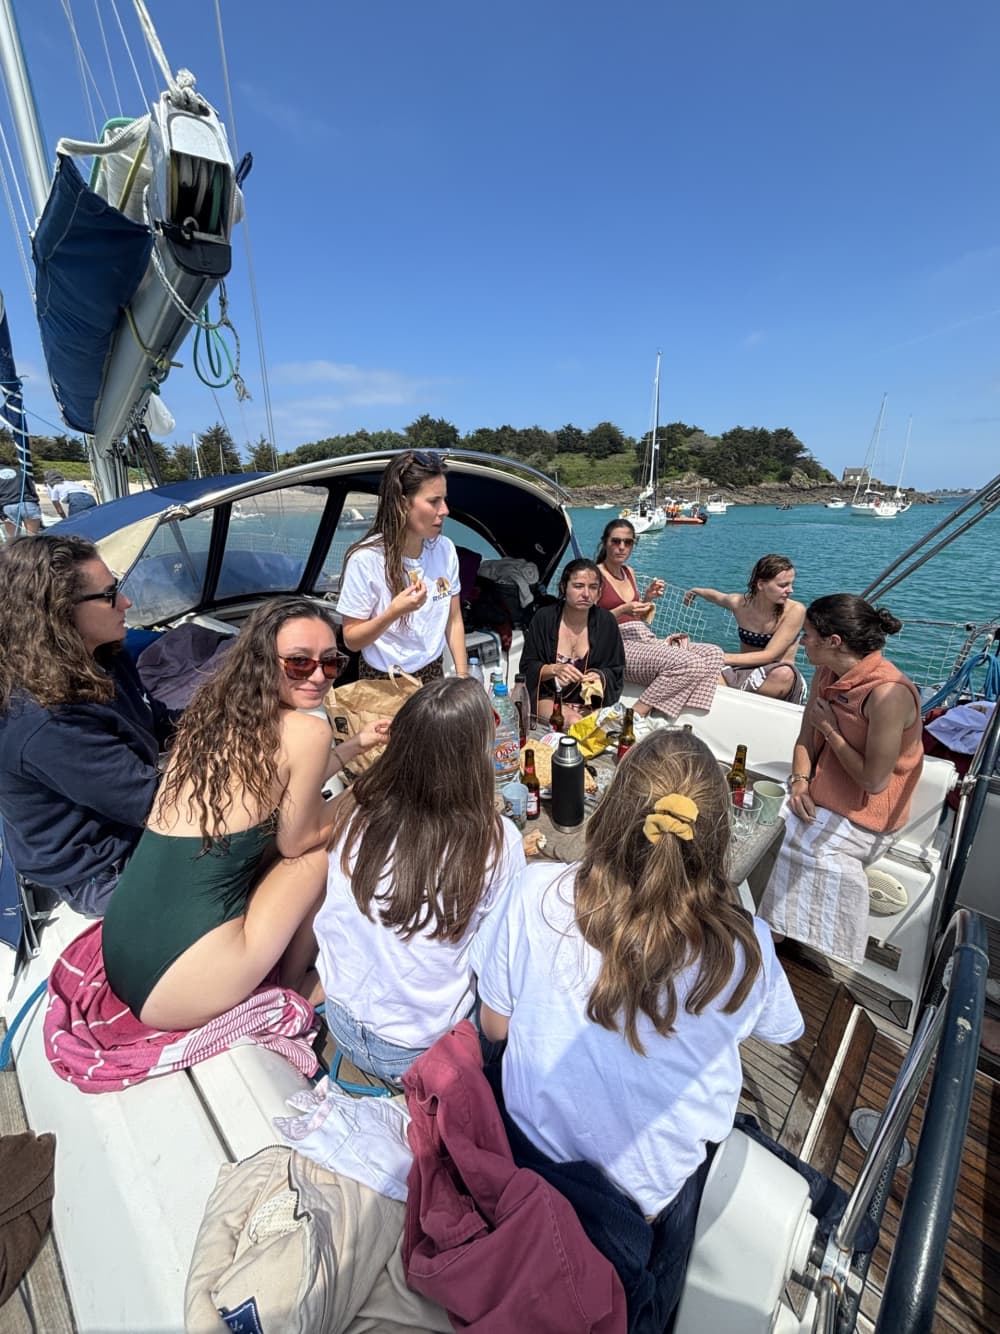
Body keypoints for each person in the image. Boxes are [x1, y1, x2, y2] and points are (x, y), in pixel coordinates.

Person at [471, 729, 803, 1282]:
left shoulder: (537, 892)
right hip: (637, 1208)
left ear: (612, 814)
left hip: (527, 1154)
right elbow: (780, 1031)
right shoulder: (747, 949)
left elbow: (495, 1026)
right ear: (715, 838)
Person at [101, 597, 388, 1029]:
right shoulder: (309, 729)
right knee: (316, 857)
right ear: (262, 661)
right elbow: (298, 838)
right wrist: (372, 787)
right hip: (183, 985)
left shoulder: (212, 715)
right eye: (298, 663)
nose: (317, 677)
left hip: (124, 952)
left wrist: (356, 746)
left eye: (330, 664)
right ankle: (293, 985)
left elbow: (286, 780)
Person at [316, 676, 526, 1082]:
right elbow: (503, 957)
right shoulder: (496, 841)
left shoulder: (357, 807)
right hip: (418, 1052)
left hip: (343, 1025)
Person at [0, 535, 172, 915]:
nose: (125, 603)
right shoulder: (44, 720)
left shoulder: (103, 657)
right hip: (105, 871)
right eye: (110, 594)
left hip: (136, 821)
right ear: (59, 612)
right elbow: (160, 806)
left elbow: (158, 722)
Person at [758, 594, 924, 964]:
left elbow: (875, 782)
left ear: (834, 642)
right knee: (758, 821)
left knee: (794, 841)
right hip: (819, 791)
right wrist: (800, 780)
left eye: (807, 635)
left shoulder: (887, 695)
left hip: (866, 816)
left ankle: (776, 936)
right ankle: (772, 929)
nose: (801, 643)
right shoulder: (827, 673)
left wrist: (831, 731)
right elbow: (804, 739)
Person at [338, 450, 468, 680]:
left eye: (444, 499)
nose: (445, 510)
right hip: (384, 680)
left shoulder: (445, 550)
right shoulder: (366, 559)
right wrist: (394, 613)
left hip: (432, 673)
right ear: (402, 504)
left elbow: (454, 619)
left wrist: (463, 675)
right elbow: (351, 639)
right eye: (434, 501)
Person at [596, 519, 724, 726]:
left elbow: (635, 615)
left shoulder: (629, 573)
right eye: (616, 541)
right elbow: (587, 624)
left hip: (641, 636)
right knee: (689, 663)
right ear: (605, 542)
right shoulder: (594, 576)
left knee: (714, 653)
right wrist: (622, 609)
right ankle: (634, 716)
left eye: (628, 542)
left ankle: (667, 716)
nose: (622, 547)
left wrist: (647, 599)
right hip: (613, 645)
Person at [684, 554, 807, 702]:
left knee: (783, 674)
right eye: (783, 585)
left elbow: (769, 655)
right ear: (761, 585)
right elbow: (718, 597)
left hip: (775, 676)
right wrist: (696, 591)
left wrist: (718, 657)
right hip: (742, 672)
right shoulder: (740, 604)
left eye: (791, 584)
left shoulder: (795, 610)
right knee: (696, 674)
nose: (790, 590)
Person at [518, 558, 624, 726]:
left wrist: (600, 676)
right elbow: (527, 667)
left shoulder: (607, 622)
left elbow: (616, 670)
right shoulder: (544, 618)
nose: (586, 594)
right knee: (575, 721)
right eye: (578, 586)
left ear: (599, 591)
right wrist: (555, 669)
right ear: (563, 587)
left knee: (594, 724)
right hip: (548, 696)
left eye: (593, 587)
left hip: (592, 700)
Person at [0, 462, 41, 536]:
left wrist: (2, 515)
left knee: (14, 539)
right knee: (33, 538)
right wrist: (36, 503)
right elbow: (32, 489)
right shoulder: (19, 471)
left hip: (8, 506)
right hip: (28, 503)